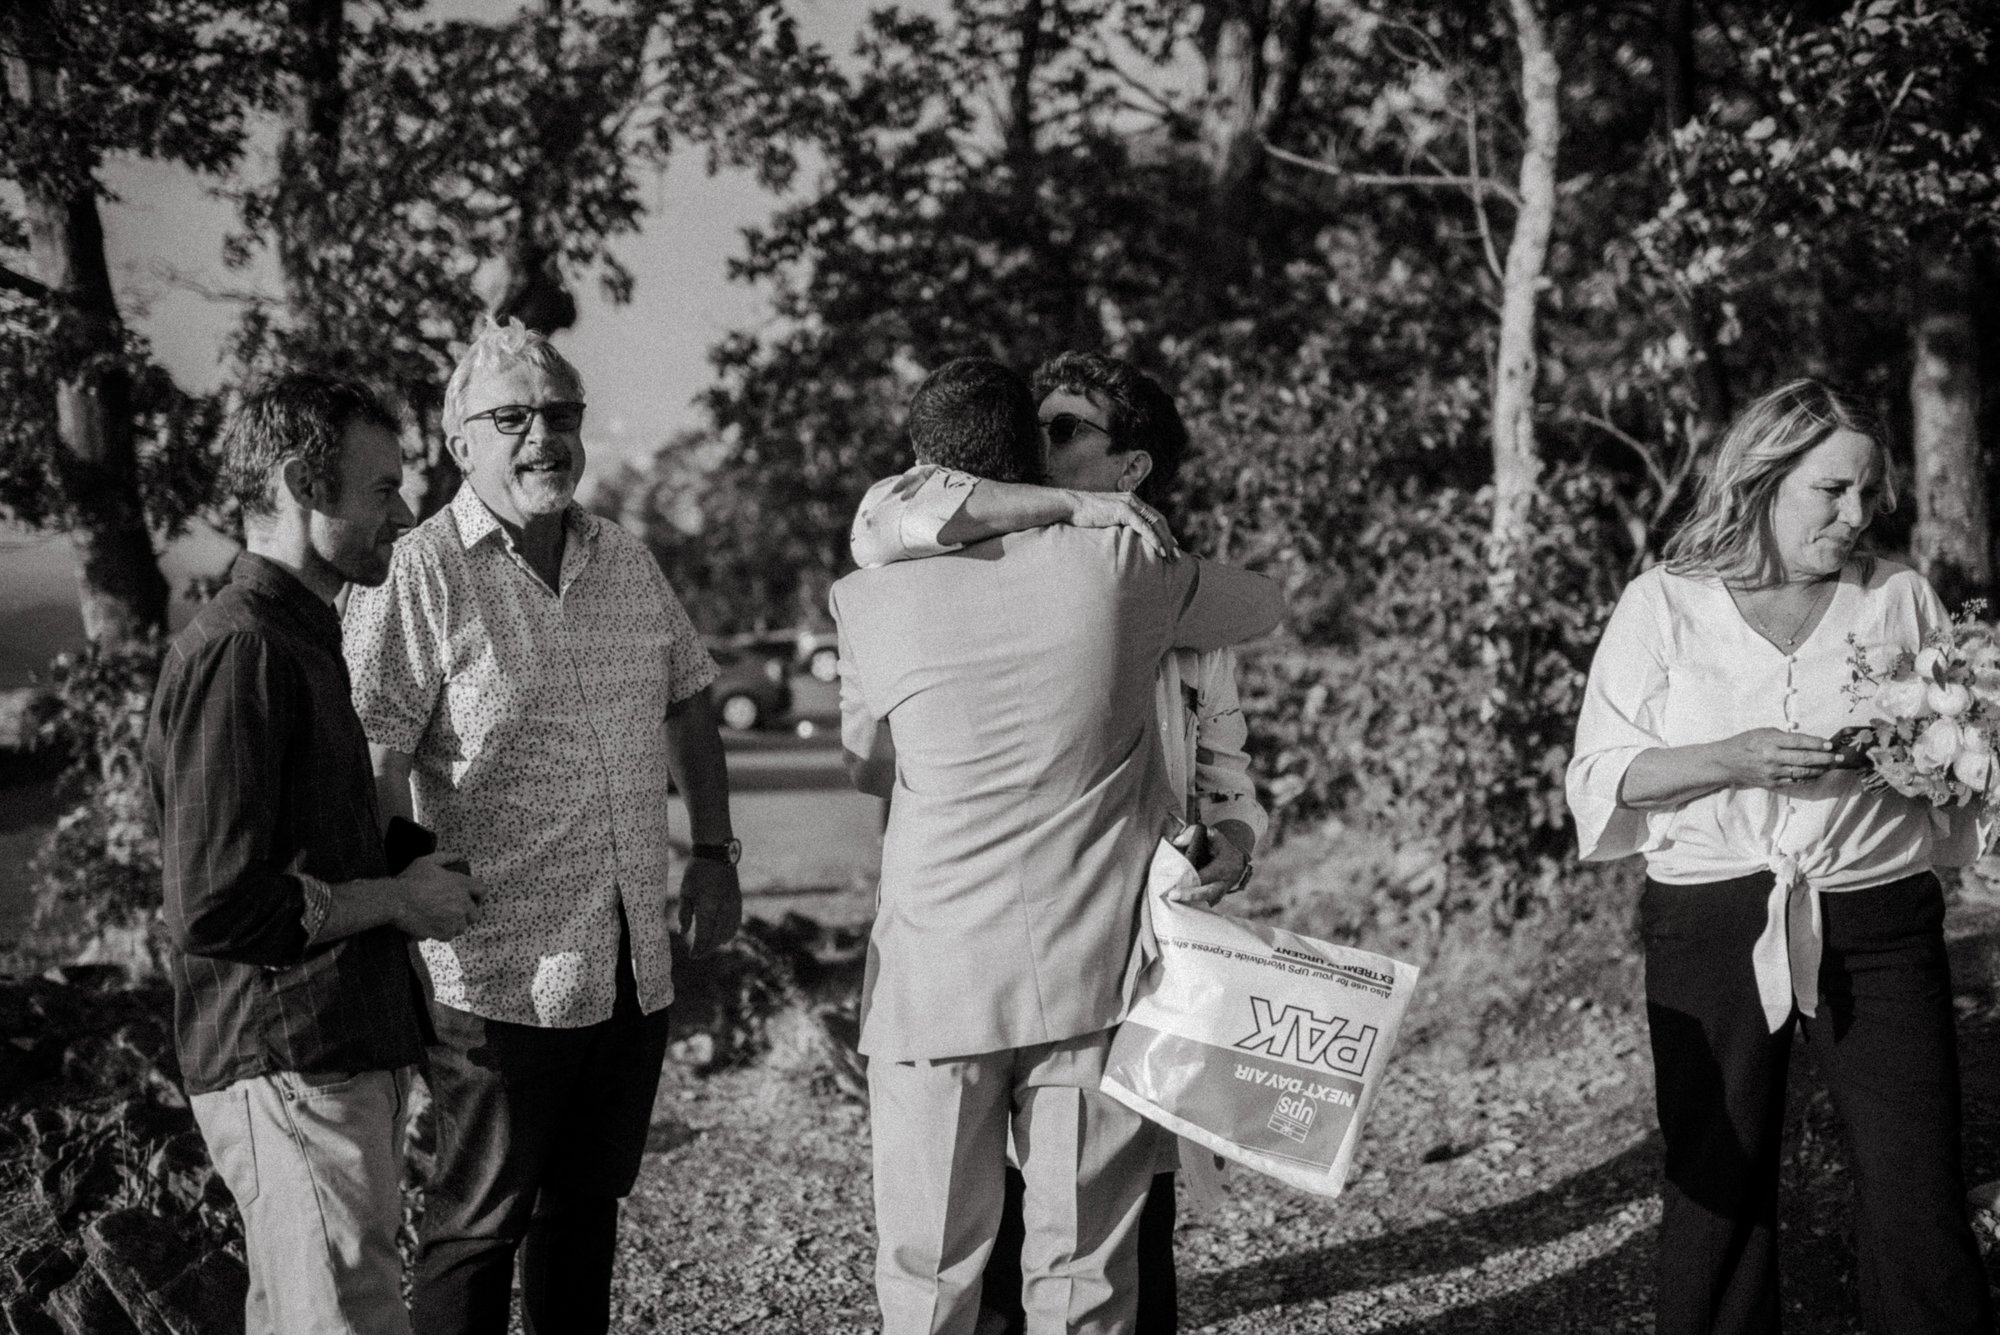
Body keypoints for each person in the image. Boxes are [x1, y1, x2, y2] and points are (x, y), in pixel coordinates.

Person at [832, 356, 1284, 1335]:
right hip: (1087, 980)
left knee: (926, 1278)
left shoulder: (862, 595)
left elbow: (869, 766)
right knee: (1083, 1283)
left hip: (931, 982)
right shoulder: (1130, 567)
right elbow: (1261, 604)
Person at [1566, 378, 1994, 1335]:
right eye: (1830, 490)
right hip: (1714, 919)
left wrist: (1920, 761)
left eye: (1867, 492)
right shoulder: (1663, 604)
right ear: (1761, 479)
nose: (1856, 514)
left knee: (1915, 1184)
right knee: (1718, 1182)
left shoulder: (1900, 597)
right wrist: (1731, 758)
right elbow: (1601, 775)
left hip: (1879, 919)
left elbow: (1960, 761)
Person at [342, 318, 741, 1335]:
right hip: (491, 974)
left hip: (627, 964)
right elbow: (372, 759)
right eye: (511, 417)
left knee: (584, 1216)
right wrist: (407, 897)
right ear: (457, 441)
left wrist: (711, 854)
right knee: (476, 1229)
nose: (542, 437)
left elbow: (690, 697)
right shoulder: (419, 572)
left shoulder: (627, 561)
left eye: (559, 415)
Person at [145, 374, 486, 1335]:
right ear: (304, 481)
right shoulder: (244, 648)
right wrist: (399, 901)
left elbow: (321, 846)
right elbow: (215, 905)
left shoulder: (302, 639)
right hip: (288, 1053)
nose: (406, 512)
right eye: (383, 488)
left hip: (330, 1050)